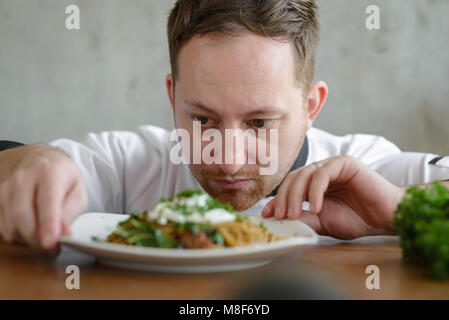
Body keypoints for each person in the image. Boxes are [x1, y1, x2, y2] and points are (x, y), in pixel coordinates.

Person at [0, 0, 447, 252]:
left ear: (312, 106)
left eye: (260, 122)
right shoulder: (132, 165)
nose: (228, 159)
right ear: (173, 97)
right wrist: (31, 160)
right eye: (202, 119)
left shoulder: (369, 170)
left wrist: (395, 211)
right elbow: (34, 169)